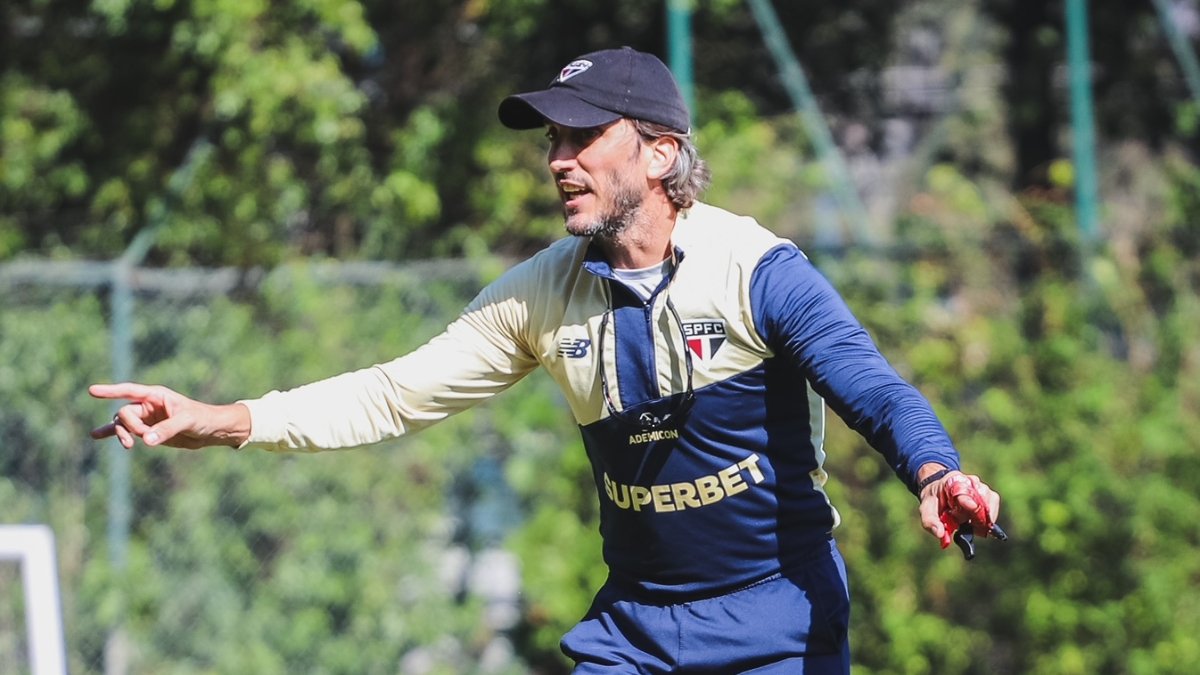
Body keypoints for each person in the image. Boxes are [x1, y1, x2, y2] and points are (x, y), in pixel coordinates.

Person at [91, 46, 1003, 674]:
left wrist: (935, 469)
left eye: (582, 137)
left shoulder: (757, 271)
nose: (558, 160)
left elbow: (872, 388)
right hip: (636, 631)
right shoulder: (540, 292)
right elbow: (394, 394)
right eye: (552, 142)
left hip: (777, 618)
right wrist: (226, 419)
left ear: (661, 153)